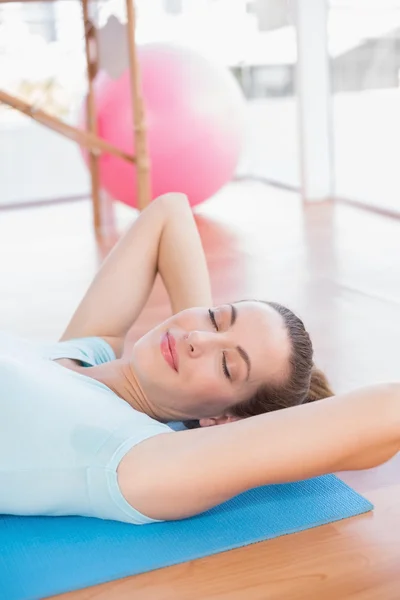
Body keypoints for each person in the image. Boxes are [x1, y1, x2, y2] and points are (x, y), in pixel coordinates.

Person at [1, 193, 399, 525]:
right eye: (215, 317)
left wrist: (204, 403)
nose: (196, 337)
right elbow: (169, 212)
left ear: (224, 421)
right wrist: (200, 353)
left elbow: (388, 409)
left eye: (228, 366)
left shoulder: (132, 459)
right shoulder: (83, 351)